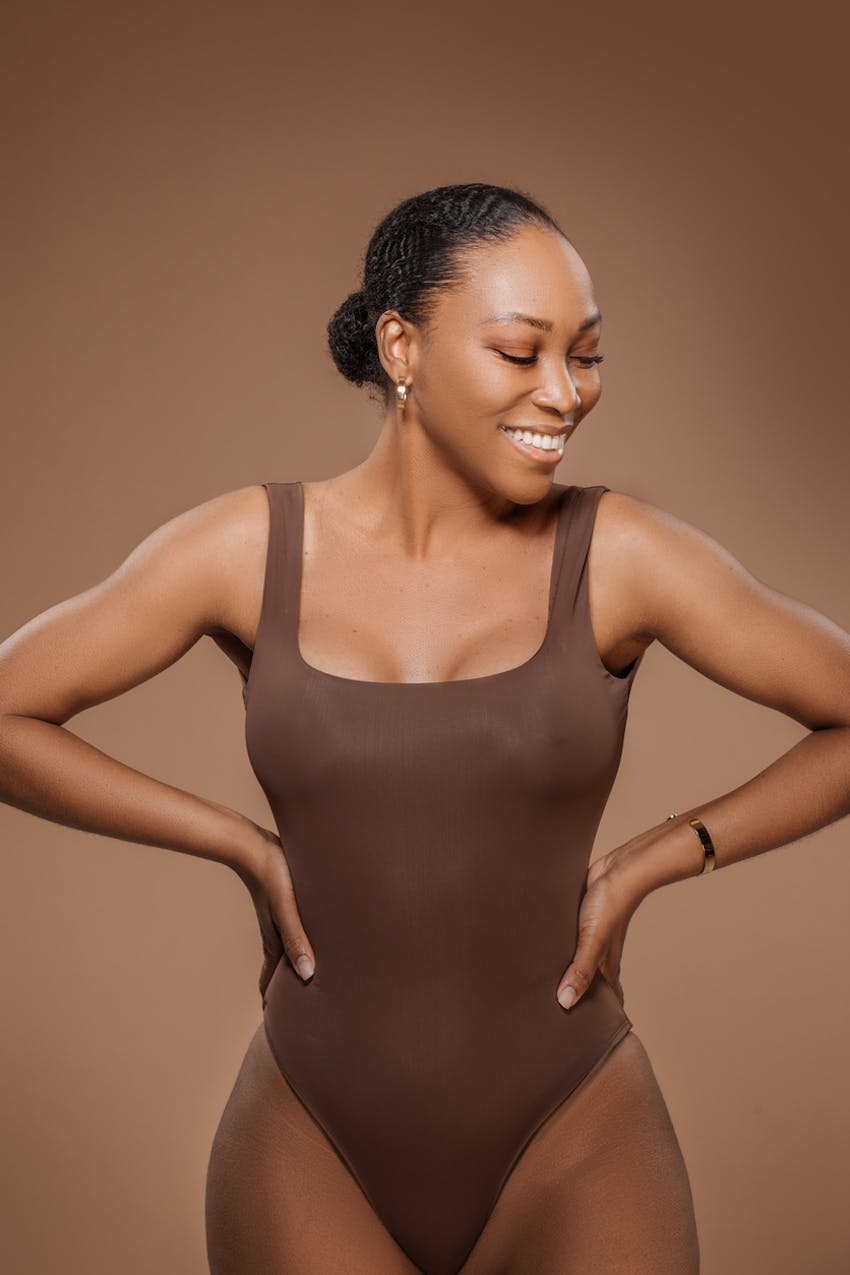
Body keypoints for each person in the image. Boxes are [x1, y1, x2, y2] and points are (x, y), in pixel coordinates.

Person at [1, 182, 848, 1275]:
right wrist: (239, 843)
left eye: (586, 355)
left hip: (578, 1135)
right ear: (402, 347)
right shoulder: (251, 548)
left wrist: (665, 855)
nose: (564, 392)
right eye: (520, 351)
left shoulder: (619, 554)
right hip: (309, 1144)